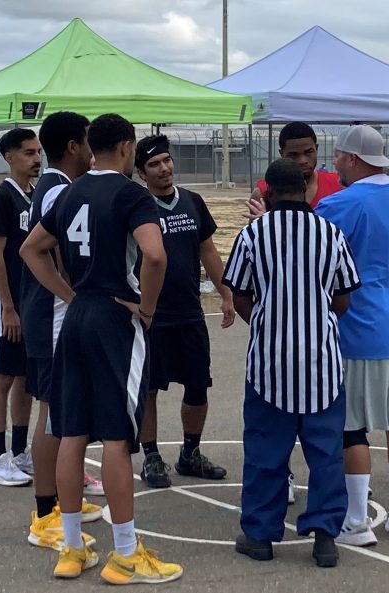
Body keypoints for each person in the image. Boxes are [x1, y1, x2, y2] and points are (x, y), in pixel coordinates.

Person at [21, 113, 182, 583]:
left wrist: (68, 293)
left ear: (92, 147)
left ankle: (72, 549)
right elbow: (155, 254)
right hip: (116, 316)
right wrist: (147, 309)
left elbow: (30, 249)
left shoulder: (68, 191)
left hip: (77, 317)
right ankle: (126, 552)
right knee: (115, 434)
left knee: (71, 431)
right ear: (129, 148)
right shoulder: (132, 195)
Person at [224, 159, 360, 567]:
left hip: (269, 363)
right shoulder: (330, 233)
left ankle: (261, 536)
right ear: (305, 188)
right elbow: (343, 297)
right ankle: (324, 538)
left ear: (267, 193)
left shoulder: (253, 234)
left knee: (266, 453)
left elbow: (240, 292)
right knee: (325, 454)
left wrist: (266, 320)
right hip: (322, 363)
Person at [314, 126, 389, 546]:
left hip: (359, 326)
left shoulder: (340, 203)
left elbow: (316, 256)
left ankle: (358, 521)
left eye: (340, 157)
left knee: (352, 426)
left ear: (354, 159)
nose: (336, 164)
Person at [19, 112, 106, 551]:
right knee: (51, 413)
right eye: (89, 141)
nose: (94, 149)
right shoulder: (58, 190)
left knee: (59, 410)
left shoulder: (55, 186)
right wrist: (70, 296)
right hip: (52, 317)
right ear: (74, 146)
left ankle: (58, 499)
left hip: (52, 314)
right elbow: (35, 251)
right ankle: (44, 513)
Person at [134, 134, 236, 488]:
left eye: (166, 161)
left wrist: (226, 293)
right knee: (149, 388)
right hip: (150, 316)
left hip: (189, 313)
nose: (164, 169)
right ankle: (151, 456)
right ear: (140, 173)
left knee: (197, 385)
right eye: (153, 165)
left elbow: (208, 252)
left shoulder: (192, 202)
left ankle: (190, 452)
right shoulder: (136, 205)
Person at [0, 128, 40, 487]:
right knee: (2, 376)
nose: (36, 159)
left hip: (32, 302)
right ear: (9, 157)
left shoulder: (36, 196)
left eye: (38, 152)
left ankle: (19, 452)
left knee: (26, 378)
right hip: (8, 302)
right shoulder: (2, 198)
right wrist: (7, 306)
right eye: (29, 153)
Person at [245, 122, 344, 218]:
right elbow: (253, 233)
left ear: (316, 149)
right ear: (281, 153)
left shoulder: (339, 185)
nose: (302, 161)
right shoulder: (264, 192)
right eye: (293, 155)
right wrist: (263, 223)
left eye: (308, 152)